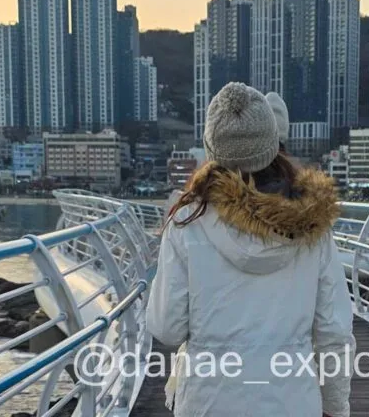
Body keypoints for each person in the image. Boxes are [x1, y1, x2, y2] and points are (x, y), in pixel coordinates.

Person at [147, 82, 354, 417]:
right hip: (292, 403)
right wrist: (335, 407)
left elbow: (167, 328)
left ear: (211, 151)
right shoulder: (311, 223)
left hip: (208, 402)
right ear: (273, 144)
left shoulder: (187, 222)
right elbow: (334, 333)